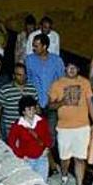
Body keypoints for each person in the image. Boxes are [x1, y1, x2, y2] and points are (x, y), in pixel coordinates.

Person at [49, 61, 93, 185]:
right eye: (69, 67)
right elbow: (50, 105)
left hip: (82, 126)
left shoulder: (85, 83)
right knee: (65, 158)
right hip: (64, 127)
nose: (71, 69)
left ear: (78, 69)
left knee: (80, 158)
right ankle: (64, 177)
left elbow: (90, 103)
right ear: (65, 69)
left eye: (74, 67)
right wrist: (62, 102)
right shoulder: (57, 84)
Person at [25, 34, 65, 174]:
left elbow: (61, 82)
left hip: (52, 104)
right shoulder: (29, 60)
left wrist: (57, 100)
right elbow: (28, 81)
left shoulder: (57, 60)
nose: (33, 48)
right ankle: (48, 165)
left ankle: (50, 162)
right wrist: (32, 102)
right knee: (37, 134)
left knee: (51, 135)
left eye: (36, 45)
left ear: (45, 46)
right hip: (35, 104)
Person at [7, 95, 53, 180]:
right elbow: (11, 142)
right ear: (23, 111)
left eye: (33, 108)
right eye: (29, 109)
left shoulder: (41, 121)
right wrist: (21, 155)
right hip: (27, 160)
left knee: (42, 182)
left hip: (41, 157)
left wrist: (47, 148)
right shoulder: (18, 125)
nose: (32, 111)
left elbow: (48, 136)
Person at [0, 63, 39, 140]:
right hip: (11, 129)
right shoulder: (5, 89)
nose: (22, 77)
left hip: (29, 129)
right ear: (14, 76)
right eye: (19, 75)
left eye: (24, 74)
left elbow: (37, 109)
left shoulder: (32, 89)